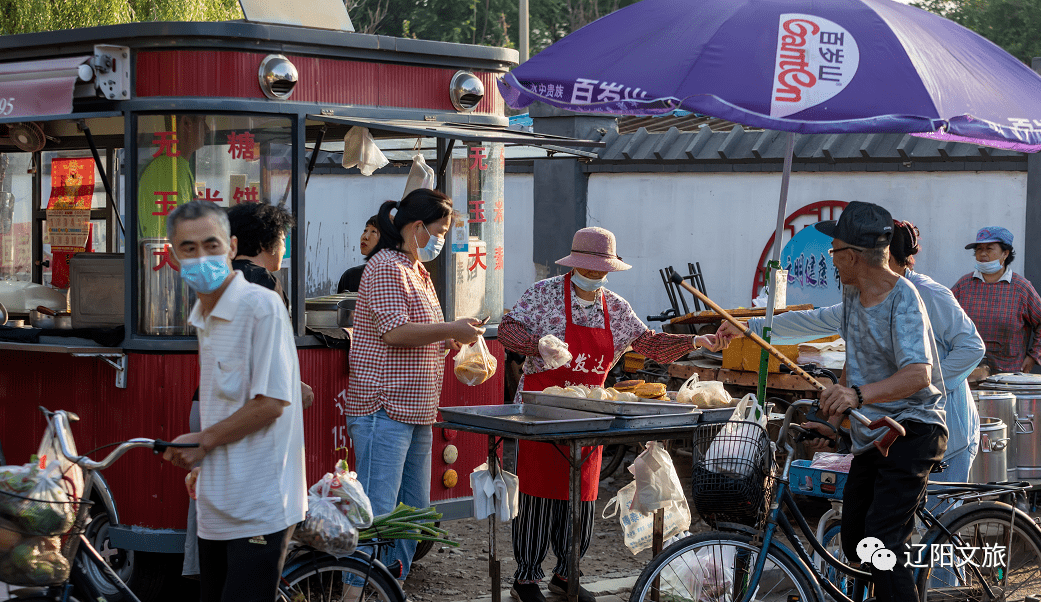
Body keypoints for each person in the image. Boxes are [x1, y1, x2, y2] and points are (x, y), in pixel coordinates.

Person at [719, 202, 947, 602]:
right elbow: (816, 325)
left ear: (853, 256)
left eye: (834, 251)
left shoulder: (903, 298)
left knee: (880, 545)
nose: (833, 261)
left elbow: (918, 375)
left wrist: (856, 395)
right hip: (871, 435)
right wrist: (745, 327)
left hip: (910, 431)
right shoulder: (854, 298)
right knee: (856, 534)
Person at [497, 227, 722, 602]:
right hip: (542, 412)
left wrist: (696, 341)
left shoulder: (615, 307)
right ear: (573, 264)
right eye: (589, 268)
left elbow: (649, 343)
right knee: (537, 496)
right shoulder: (543, 295)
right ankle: (526, 578)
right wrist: (536, 344)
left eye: (602, 270)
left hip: (591, 413)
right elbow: (507, 329)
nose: (596, 276)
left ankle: (567, 575)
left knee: (582, 500)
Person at [720, 219, 983, 488]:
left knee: (937, 523)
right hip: (897, 436)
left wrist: (921, 386)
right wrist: (749, 327)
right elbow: (816, 321)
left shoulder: (929, 295)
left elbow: (972, 348)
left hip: (947, 434)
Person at [161, 200, 306, 602]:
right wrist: (204, 458)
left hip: (260, 502)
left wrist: (204, 440)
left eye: (212, 244)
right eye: (188, 248)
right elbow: (227, 400)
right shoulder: (203, 316)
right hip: (217, 502)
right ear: (173, 257)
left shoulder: (261, 306)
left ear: (232, 246)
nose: (201, 256)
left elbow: (271, 403)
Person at [344, 189, 485, 585]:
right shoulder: (387, 266)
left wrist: (449, 340)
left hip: (417, 410)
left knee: (414, 511)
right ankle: (355, 590)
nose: (441, 238)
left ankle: (392, 584)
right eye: (440, 230)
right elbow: (394, 332)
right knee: (377, 511)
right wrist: (449, 328)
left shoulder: (416, 269)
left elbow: (418, 330)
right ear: (418, 227)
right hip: (383, 408)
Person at [952, 226, 1041, 374]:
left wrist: (1034, 356)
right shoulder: (964, 285)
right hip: (968, 376)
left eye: (989, 249)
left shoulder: (1021, 288)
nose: (983, 254)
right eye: (979, 249)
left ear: (1005, 253)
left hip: (1010, 376)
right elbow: (941, 320)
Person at [337, 215, 380, 293]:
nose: (365, 237)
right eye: (365, 230)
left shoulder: (395, 277)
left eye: (373, 231)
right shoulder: (350, 277)